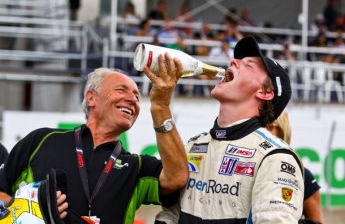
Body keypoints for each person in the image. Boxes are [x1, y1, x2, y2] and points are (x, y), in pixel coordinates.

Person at [0, 67, 188, 223]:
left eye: (137, 97)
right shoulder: (42, 140)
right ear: (91, 98)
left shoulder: (136, 167)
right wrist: (27, 207)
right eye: (122, 90)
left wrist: (161, 108)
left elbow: (177, 177)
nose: (132, 99)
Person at [154, 36, 304, 223]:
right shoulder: (193, 146)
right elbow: (170, 215)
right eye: (237, 60)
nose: (233, 61)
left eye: (249, 65)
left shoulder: (275, 157)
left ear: (264, 92)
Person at [268, 111, 323, 224]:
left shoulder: (303, 175)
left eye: (269, 126)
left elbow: (317, 221)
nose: (262, 131)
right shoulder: (245, 168)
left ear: (282, 129)